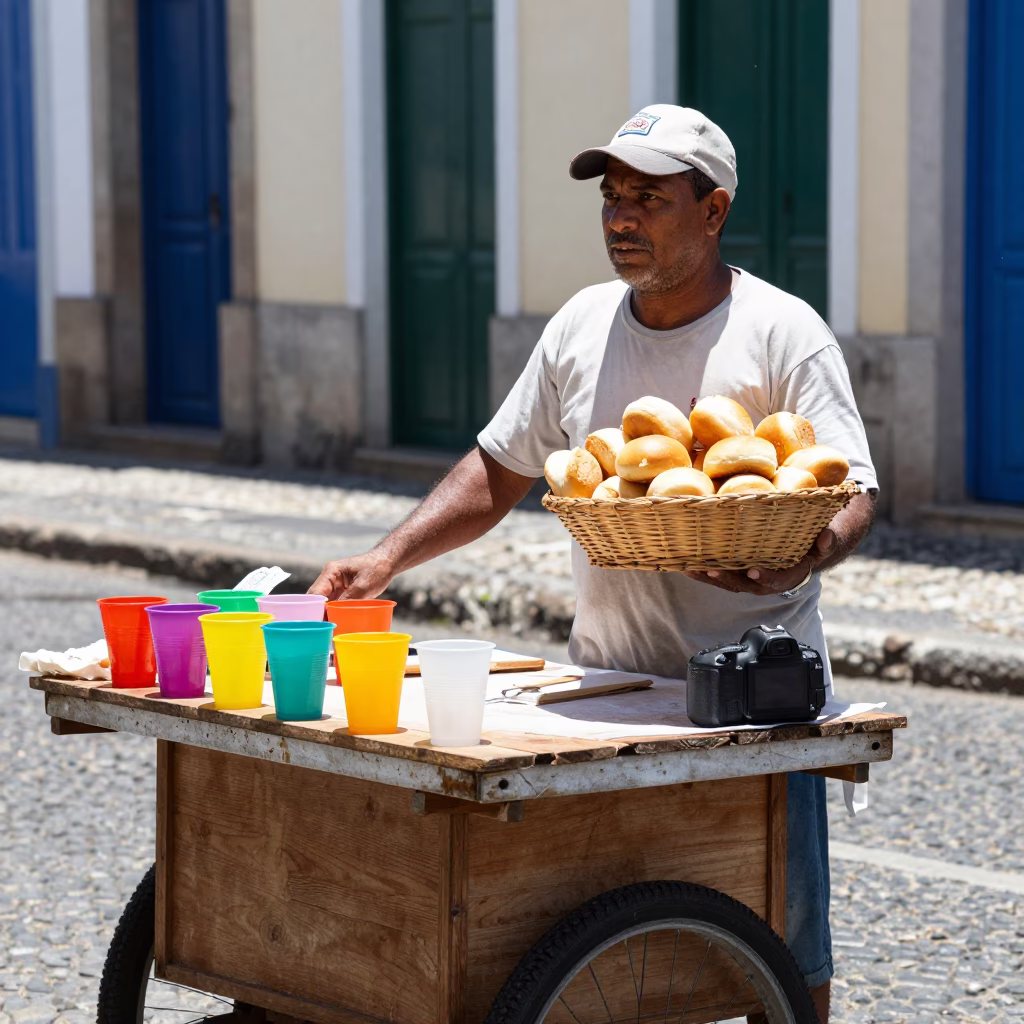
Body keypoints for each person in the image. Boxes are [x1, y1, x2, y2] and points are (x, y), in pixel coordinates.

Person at [310, 104, 877, 1023]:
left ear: (714, 210)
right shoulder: (579, 327)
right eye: (612, 197)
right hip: (608, 693)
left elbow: (851, 489)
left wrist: (806, 551)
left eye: (648, 199)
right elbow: (499, 469)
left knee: (785, 938)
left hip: (753, 703)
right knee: (609, 943)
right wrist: (384, 560)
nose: (620, 218)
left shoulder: (782, 332)